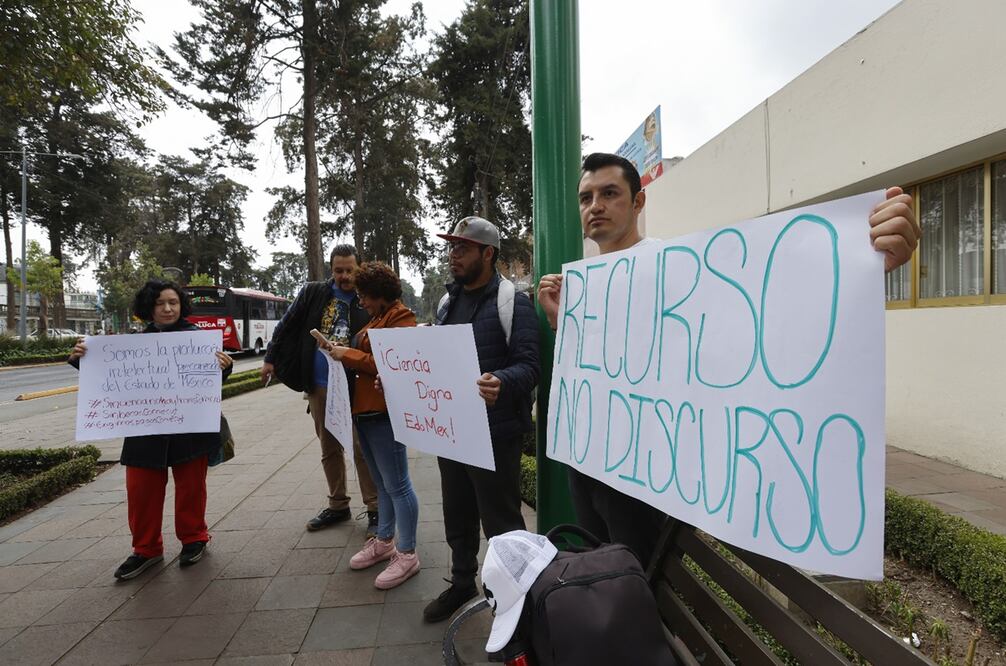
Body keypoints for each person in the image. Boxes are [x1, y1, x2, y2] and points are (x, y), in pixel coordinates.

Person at [537, 152, 922, 568]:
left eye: (609, 193)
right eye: (586, 197)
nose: (595, 205)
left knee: (636, 586)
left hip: (641, 475)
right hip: (588, 458)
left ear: (638, 203)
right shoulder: (584, 285)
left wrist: (861, 262)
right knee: (597, 578)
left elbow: (769, 313)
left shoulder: (678, 267)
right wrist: (565, 321)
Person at [68, 279, 233, 579]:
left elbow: (210, 384)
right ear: (149, 308)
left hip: (190, 431)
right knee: (140, 490)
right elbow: (108, 380)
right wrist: (83, 360)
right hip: (145, 431)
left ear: (182, 305)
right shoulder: (132, 345)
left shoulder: (199, 340)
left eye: (173, 302)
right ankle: (146, 549)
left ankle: (194, 539)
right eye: (160, 303)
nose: (168, 308)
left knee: (191, 489)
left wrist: (225, 367)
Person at [422, 216, 540, 623]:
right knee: (457, 510)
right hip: (453, 431)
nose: (453, 255)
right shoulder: (446, 303)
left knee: (501, 519)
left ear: (488, 254)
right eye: (452, 248)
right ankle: (461, 583)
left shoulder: (513, 303)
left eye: (463, 248)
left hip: (495, 434)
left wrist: (501, 382)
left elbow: (530, 366)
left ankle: (514, 597)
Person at [261, 244, 380, 534]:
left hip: (356, 386)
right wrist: (269, 358)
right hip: (320, 386)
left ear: (358, 268)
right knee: (329, 447)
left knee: (361, 447)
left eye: (349, 270)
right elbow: (286, 325)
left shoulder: (368, 298)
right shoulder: (314, 293)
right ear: (332, 269)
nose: (344, 276)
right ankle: (338, 504)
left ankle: (376, 508)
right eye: (338, 270)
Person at [325, 261, 422, 589]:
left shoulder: (401, 318)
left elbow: (389, 361)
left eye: (365, 295)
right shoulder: (379, 318)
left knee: (398, 484)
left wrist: (346, 355)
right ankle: (384, 541)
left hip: (384, 412)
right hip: (365, 411)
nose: (361, 301)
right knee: (382, 483)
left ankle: (407, 553)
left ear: (381, 295)